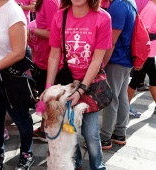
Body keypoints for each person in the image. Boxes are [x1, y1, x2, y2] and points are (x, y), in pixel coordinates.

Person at [40, 0, 112, 169]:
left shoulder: (103, 18)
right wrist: (49, 88)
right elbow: (54, 55)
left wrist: (81, 90)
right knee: (67, 129)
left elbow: (97, 59)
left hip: (91, 83)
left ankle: (97, 165)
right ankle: (75, 163)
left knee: (90, 132)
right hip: (67, 83)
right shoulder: (60, 16)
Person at [0, 0, 34, 169]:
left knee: (21, 118)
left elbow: (19, 52)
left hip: (12, 77)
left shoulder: (13, 11)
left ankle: (26, 154)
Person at [100, 0, 137, 150]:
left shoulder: (119, 5)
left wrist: (102, 64)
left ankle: (105, 138)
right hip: (126, 59)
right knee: (121, 96)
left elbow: (111, 41)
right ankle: (120, 133)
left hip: (116, 59)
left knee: (112, 98)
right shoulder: (130, 2)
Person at [27, 0, 60, 142]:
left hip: (48, 60)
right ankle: (43, 130)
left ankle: (47, 131)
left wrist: (30, 30)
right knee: (46, 99)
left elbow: (54, 33)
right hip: (43, 58)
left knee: (48, 99)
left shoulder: (49, 1)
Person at [128, 0, 156, 115]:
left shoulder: (152, 6)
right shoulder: (151, 8)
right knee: (134, 82)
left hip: (150, 51)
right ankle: (125, 109)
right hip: (146, 52)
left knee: (154, 79)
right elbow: (144, 32)